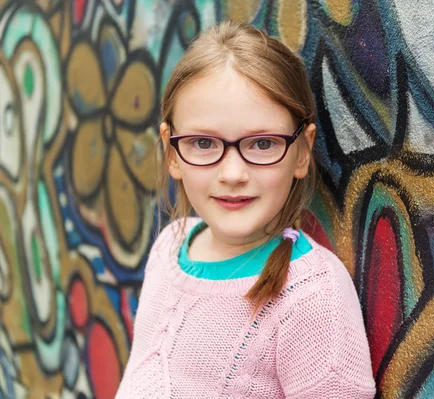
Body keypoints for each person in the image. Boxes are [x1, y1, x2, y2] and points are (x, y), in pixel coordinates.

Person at [115, 20, 375, 399]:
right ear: (172, 152)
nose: (233, 174)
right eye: (204, 142)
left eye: (262, 144)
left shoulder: (312, 297)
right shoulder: (168, 248)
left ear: (302, 151)